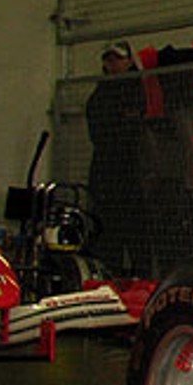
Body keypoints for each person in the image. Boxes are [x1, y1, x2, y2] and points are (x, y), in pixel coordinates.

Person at [84, 41, 149, 276]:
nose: (112, 64)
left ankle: (138, 278)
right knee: (108, 230)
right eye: (108, 59)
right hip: (107, 171)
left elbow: (130, 127)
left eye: (117, 59)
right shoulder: (102, 93)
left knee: (134, 230)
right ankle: (109, 277)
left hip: (131, 172)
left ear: (129, 61)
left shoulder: (136, 88)